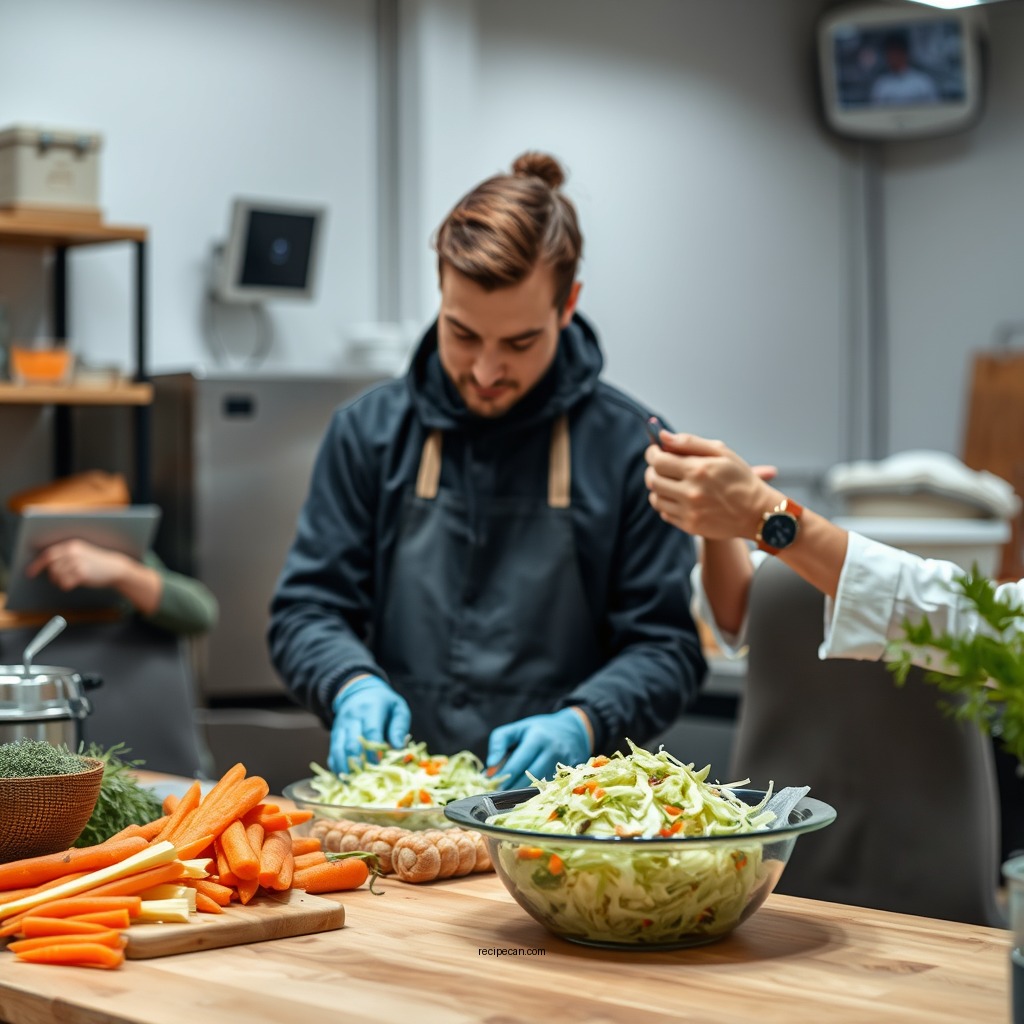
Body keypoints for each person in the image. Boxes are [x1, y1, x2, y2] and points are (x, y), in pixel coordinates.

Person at [268, 151, 706, 789]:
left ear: (567, 304)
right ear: (441, 291)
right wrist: (351, 683)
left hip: (558, 817)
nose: (485, 371)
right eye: (463, 334)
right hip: (399, 805)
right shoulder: (368, 433)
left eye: (520, 343)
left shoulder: (633, 451)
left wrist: (584, 720)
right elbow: (307, 611)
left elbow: (666, 648)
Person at [643, 428, 1024, 861]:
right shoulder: (813, 557)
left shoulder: (942, 581)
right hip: (778, 808)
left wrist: (764, 514)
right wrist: (723, 524)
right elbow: (737, 617)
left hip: (923, 833)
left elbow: (972, 620)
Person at [869, 30, 940, 107]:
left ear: (904, 53)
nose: (892, 57)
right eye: (889, 53)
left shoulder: (923, 82)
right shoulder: (881, 85)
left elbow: (935, 108)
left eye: (895, 52)